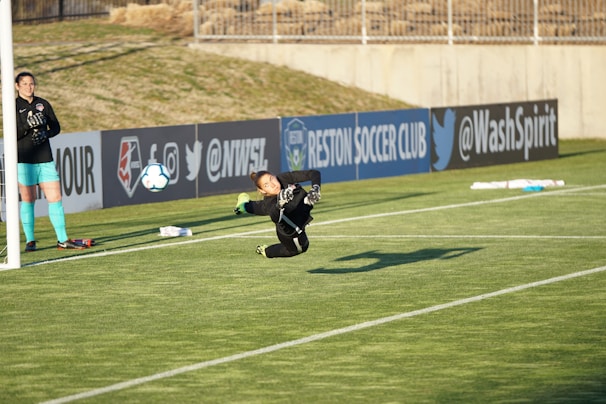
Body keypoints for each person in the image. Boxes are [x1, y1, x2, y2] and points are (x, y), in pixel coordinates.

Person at [15, 71, 87, 251]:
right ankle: (30, 241)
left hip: (45, 158)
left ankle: (62, 239)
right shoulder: (13, 106)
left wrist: (46, 132)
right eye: (24, 84)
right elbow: (12, 134)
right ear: (17, 86)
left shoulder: (43, 104)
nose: (28, 87)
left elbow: (56, 126)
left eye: (31, 83)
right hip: (24, 159)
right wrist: (27, 126)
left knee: (55, 198)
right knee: (28, 199)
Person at [234, 169, 321, 258]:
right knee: (300, 248)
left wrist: (316, 187)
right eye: (266, 185)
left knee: (256, 207)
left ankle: (244, 205)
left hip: (299, 214)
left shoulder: (283, 179)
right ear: (263, 191)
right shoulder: (269, 203)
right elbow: (275, 217)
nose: (272, 185)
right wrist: (280, 204)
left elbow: (313, 173)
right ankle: (266, 251)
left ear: (275, 176)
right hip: (288, 232)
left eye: (271, 179)